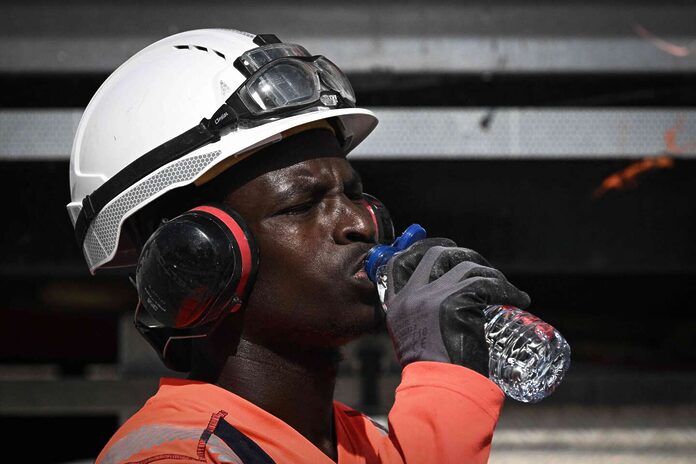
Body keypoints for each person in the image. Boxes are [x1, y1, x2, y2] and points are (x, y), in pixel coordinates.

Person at [67, 29, 530, 463]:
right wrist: (444, 390)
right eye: (303, 205)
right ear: (200, 259)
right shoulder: (181, 455)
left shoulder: (360, 443)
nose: (359, 224)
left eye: (353, 194)